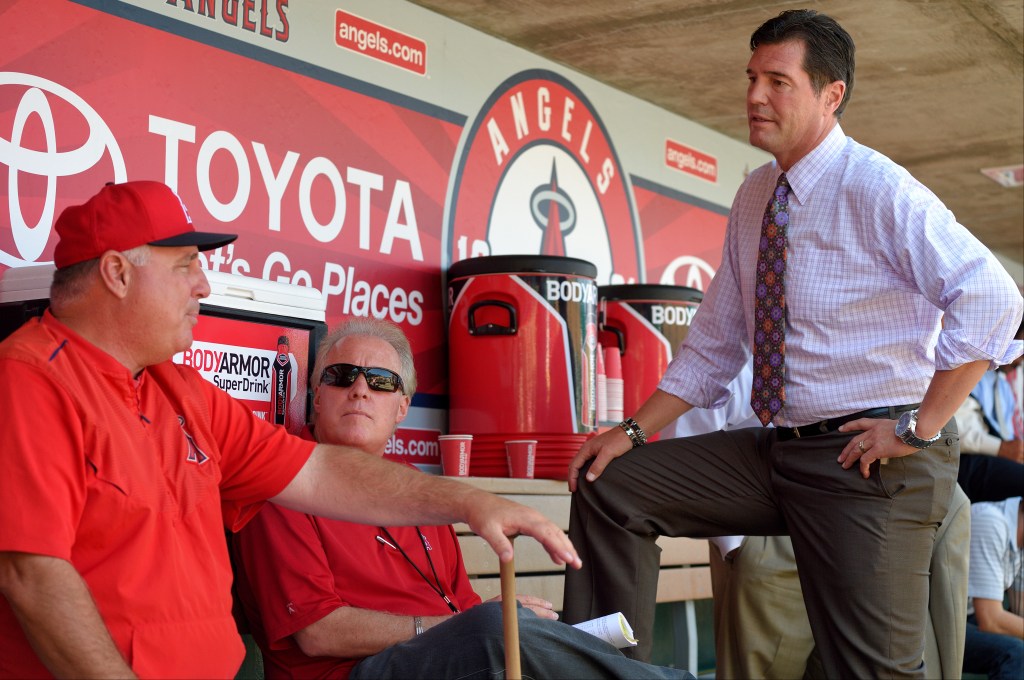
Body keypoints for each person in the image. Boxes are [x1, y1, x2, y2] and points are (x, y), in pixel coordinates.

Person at [562, 9, 1024, 678]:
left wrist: (919, 427)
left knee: (872, 671)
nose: (754, 96)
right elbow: (715, 345)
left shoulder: (877, 186)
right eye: (752, 77)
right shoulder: (755, 196)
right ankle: (602, 668)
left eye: (778, 81)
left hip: (872, 462)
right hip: (779, 450)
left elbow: (994, 300)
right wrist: (631, 431)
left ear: (830, 94)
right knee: (612, 485)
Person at [0, 181, 580, 679]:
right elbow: (32, 576)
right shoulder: (28, 380)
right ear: (117, 274)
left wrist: (469, 501)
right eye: (185, 268)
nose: (203, 287)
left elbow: (321, 470)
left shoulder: (180, 389)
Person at [231, 317, 692, 679]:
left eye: (380, 381)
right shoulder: (283, 480)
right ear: (316, 394)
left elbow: (460, 607)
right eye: (342, 376)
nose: (359, 389)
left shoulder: (414, 484)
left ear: (402, 407)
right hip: (352, 673)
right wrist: (468, 627)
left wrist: (499, 617)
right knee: (496, 633)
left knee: (516, 628)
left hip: (453, 660)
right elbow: (317, 632)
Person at [963, 496, 1024, 679]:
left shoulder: (1019, 538)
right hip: (934, 620)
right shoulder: (991, 521)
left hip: (967, 615)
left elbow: (1020, 610)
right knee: (1016, 653)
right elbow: (991, 621)